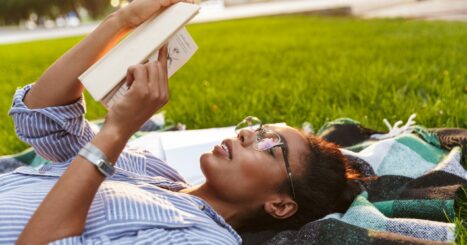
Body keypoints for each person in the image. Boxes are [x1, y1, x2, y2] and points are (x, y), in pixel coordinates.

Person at [0, 0, 361, 244]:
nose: (248, 133)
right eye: (258, 127)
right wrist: (121, 22)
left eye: (269, 145)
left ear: (280, 205)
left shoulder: (199, 236)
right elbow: (41, 117)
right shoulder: (154, 171)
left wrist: (117, 130)